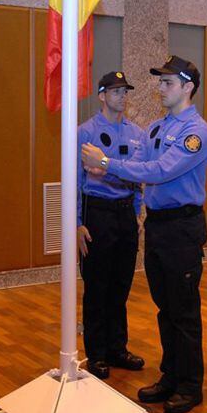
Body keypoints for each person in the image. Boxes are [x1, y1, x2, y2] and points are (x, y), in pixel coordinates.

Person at [82, 55, 207, 413]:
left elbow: (157, 171)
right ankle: (171, 376)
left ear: (188, 87)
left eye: (168, 83)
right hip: (157, 226)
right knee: (165, 308)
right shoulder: (156, 128)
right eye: (160, 82)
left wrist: (105, 163)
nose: (161, 88)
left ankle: (190, 386)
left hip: (182, 228)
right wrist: (106, 165)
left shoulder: (195, 133)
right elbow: (136, 163)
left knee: (183, 311)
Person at [76, 71, 146, 380]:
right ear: (102, 95)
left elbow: (138, 176)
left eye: (125, 91)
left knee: (121, 284)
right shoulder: (85, 132)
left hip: (125, 213)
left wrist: (138, 213)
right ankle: (97, 353)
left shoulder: (137, 134)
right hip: (98, 212)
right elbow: (76, 180)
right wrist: (77, 223)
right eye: (116, 91)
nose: (122, 96)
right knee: (97, 285)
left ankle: (118, 348)